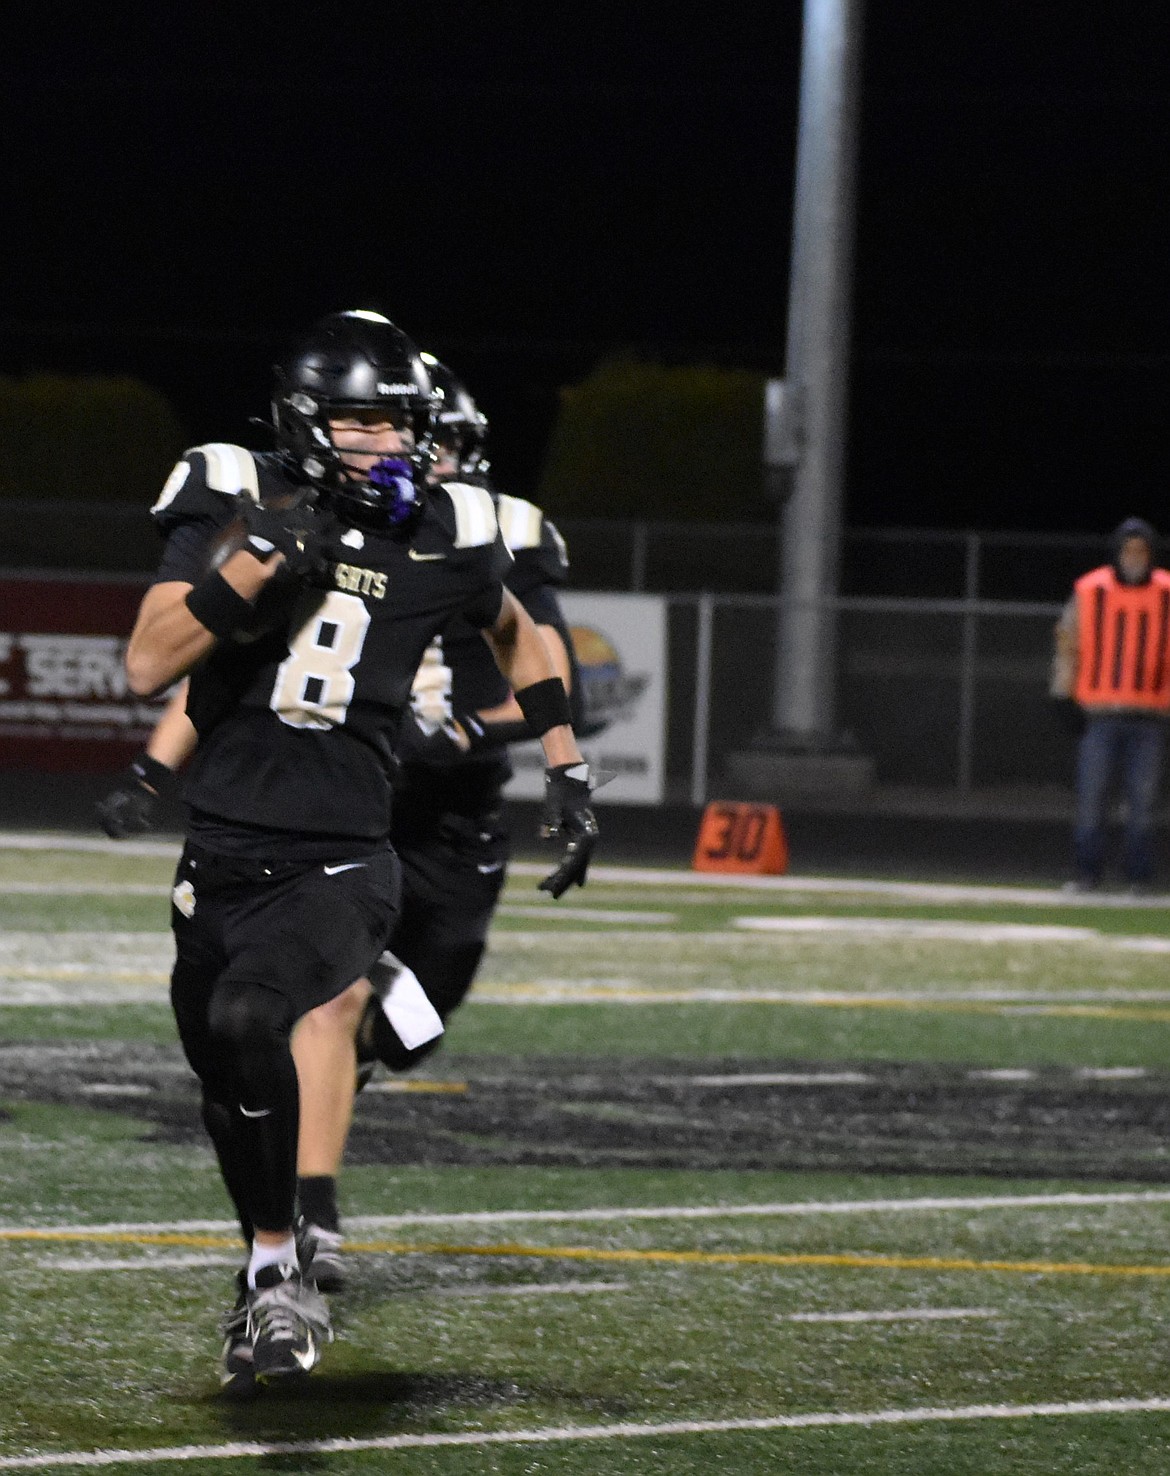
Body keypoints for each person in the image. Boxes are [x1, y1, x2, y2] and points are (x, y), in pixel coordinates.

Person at [122, 310, 597, 1388]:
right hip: (220, 855)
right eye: (366, 424)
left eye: (402, 426)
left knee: (268, 1016)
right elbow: (150, 664)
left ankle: (286, 1269)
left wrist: (567, 766)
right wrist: (252, 570)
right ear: (307, 422)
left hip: (345, 855)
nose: (392, 447)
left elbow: (520, 628)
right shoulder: (234, 500)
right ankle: (267, 1263)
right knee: (224, 1079)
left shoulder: (448, 528)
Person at [1050, 517, 1170, 891]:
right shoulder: (1090, 590)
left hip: (1150, 717)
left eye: (1141, 551)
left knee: (1143, 805)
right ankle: (1087, 875)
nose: (1134, 557)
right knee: (1091, 801)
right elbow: (1068, 646)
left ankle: (1138, 879)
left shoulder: (1167, 592)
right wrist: (1062, 696)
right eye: (1128, 550)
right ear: (1116, 553)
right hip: (1099, 716)